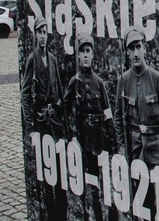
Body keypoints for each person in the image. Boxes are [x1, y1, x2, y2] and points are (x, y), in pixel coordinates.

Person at [114, 27, 159, 220]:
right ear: (127, 52)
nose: (136, 53)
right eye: (131, 48)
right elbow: (118, 119)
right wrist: (121, 150)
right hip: (137, 156)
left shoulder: (157, 79)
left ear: (144, 48)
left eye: (138, 47)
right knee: (142, 211)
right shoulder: (123, 81)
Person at [64, 33, 117, 221]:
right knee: (86, 184)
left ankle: (106, 216)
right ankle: (88, 216)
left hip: (100, 140)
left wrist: (114, 144)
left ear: (93, 54)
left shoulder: (99, 82)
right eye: (82, 51)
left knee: (104, 184)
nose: (86, 55)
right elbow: (65, 109)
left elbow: (107, 113)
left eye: (88, 51)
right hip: (83, 141)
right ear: (78, 55)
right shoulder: (75, 82)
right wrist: (71, 136)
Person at [20, 16, 67, 221]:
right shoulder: (32, 59)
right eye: (39, 32)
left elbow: (60, 91)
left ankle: (61, 213)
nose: (42, 36)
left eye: (44, 32)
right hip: (41, 122)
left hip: (55, 122)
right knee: (47, 172)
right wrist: (30, 125)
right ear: (35, 35)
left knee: (60, 169)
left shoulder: (54, 60)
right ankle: (51, 213)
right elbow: (24, 94)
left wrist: (64, 122)